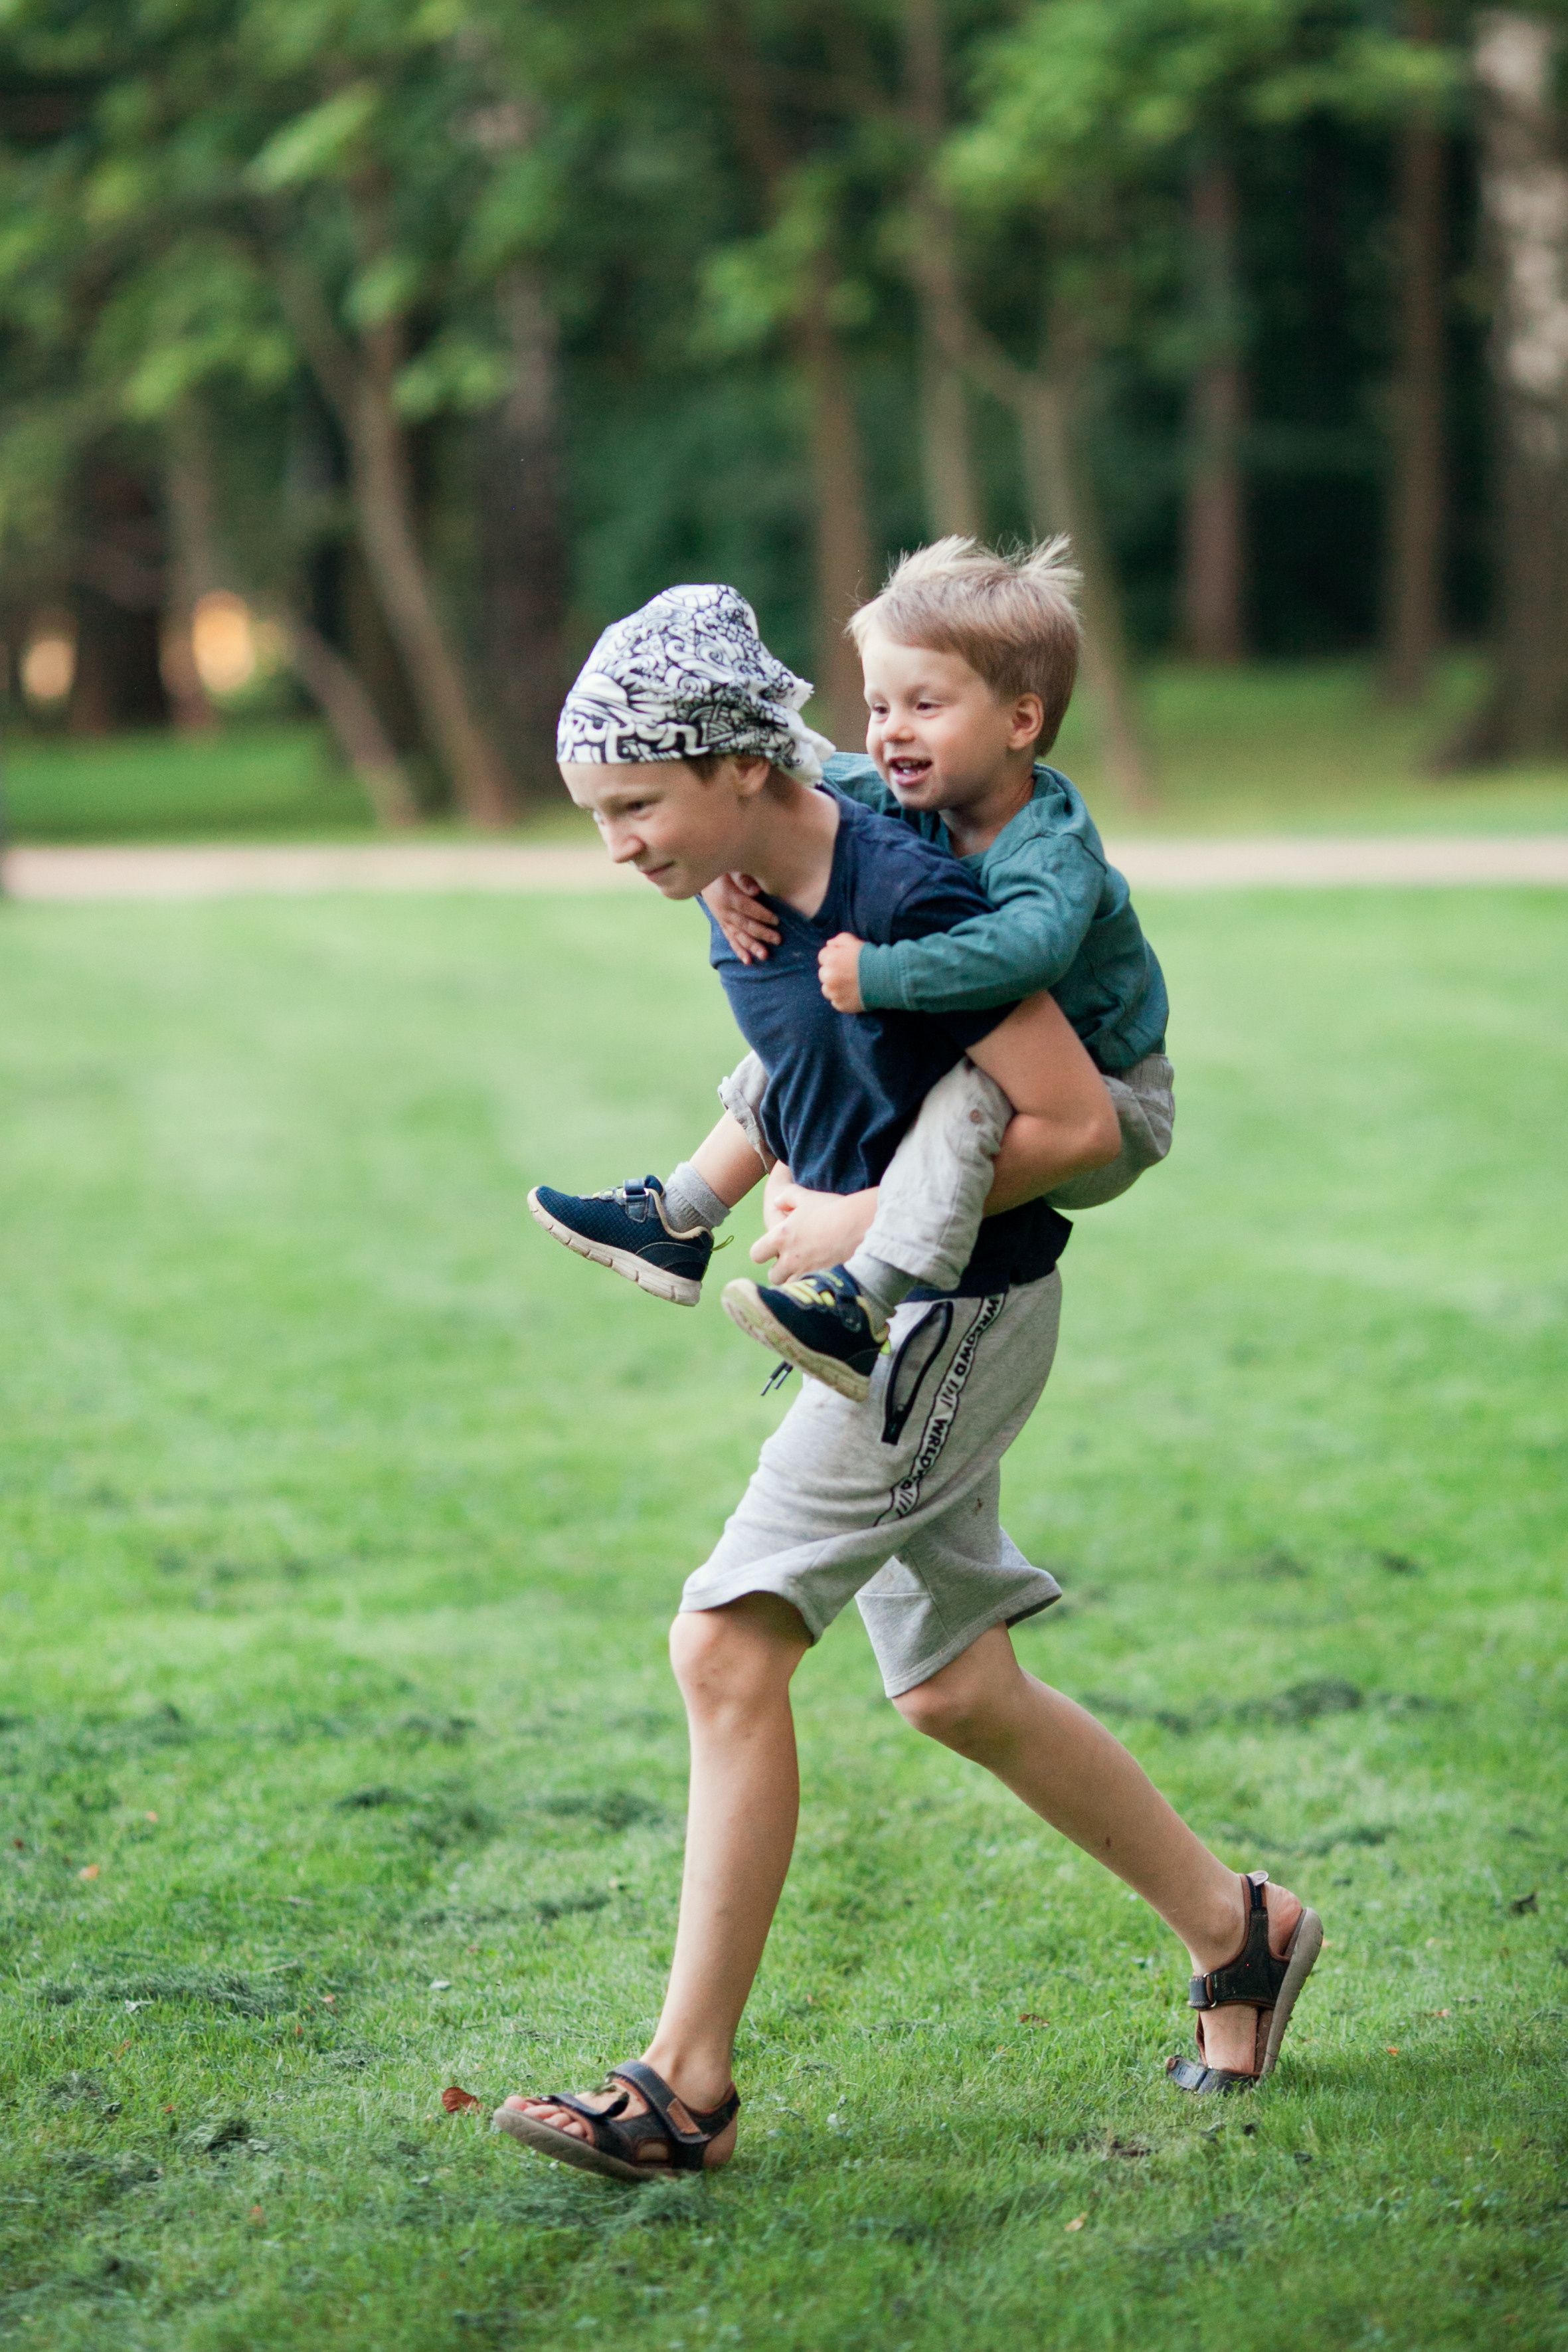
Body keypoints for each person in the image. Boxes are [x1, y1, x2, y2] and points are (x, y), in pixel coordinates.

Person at [491, 586, 1322, 2184]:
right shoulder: (749, 869)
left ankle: (685, 2085)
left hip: (937, 1323)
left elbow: (1077, 1133)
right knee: (954, 1688)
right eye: (600, 812)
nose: (615, 844)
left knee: (723, 1647)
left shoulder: (911, 890)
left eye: (635, 806)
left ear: (743, 765)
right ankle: (1243, 1932)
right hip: (892, 1311)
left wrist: (857, 1223)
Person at [529, 539, 1174, 1402]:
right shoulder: (897, 788)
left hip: (1112, 1088)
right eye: (877, 705)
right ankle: (677, 1213)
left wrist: (879, 977)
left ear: (1019, 722)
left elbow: (1028, 954)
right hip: (1006, 1054)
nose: (889, 731)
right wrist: (714, 877)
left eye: (923, 705)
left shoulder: (1046, 846)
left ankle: (859, 1297)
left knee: (947, 1082)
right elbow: (754, 787)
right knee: (817, 1023)